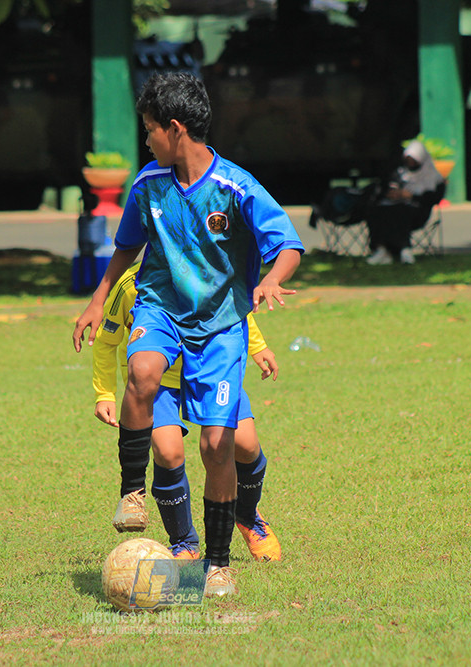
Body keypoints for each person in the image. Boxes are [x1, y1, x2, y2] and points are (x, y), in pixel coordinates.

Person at [72, 72, 303, 597]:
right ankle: (133, 493)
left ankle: (217, 563)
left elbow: (288, 243)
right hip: (160, 308)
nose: (146, 140)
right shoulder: (148, 186)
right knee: (143, 371)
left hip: (220, 328)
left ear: (175, 129)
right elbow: (126, 249)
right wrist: (94, 302)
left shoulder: (236, 187)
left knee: (218, 446)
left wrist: (270, 279)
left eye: (150, 130)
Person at [93, 263, 282, 563]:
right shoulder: (131, 285)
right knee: (168, 453)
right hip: (161, 384)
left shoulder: (207, 266)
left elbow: (233, 309)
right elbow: (106, 340)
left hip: (211, 370)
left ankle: (247, 516)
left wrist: (258, 347)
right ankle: (184, 542)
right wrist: (105, 393)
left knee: (245, 445)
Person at [364, 139, 445, 265]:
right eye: (408, 160)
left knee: (400, 211)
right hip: (394, 207)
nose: (410, 163)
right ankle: (381, 249)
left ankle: (404, 248)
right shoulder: (400, 173)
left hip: (418, 213)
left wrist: (411, 196)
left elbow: (432, 199)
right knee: (377, 210)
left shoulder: (433, 177)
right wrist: (393, 194)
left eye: (413, 160)